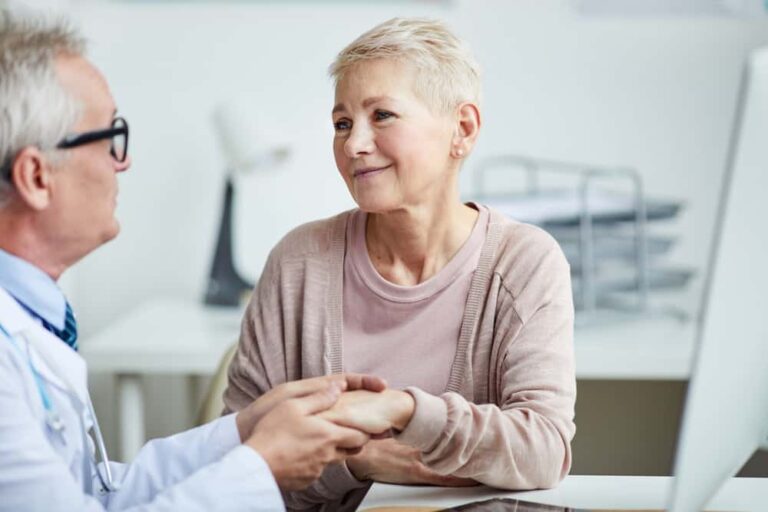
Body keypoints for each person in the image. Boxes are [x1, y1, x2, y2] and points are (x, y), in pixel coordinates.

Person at [0, 10, 387, 511]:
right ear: (36, 177)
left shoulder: (31, 322)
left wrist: (243, 433)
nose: (125, 161)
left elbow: (97, 493)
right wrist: (262, 467)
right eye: (108, 137)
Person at [223, 17, 577, 511]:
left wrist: (406, 410)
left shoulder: (522, 262)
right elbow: (235, 467)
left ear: (463, 128)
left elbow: (543, 450)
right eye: (342, 123)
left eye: (382, 115)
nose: (353, 145)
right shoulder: (298, 263)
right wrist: (359, 461)